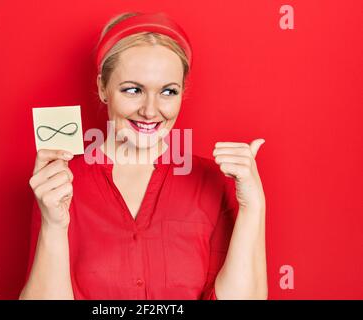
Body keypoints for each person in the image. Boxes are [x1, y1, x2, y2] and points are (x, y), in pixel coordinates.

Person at [19, 11, 267, 300]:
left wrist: (254, 207)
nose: (150, 111)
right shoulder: (59, 182)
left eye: (168, 92)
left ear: (182, 91)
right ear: (102, 87)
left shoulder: (215, 181)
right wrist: (53, 225)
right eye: (133, 90)